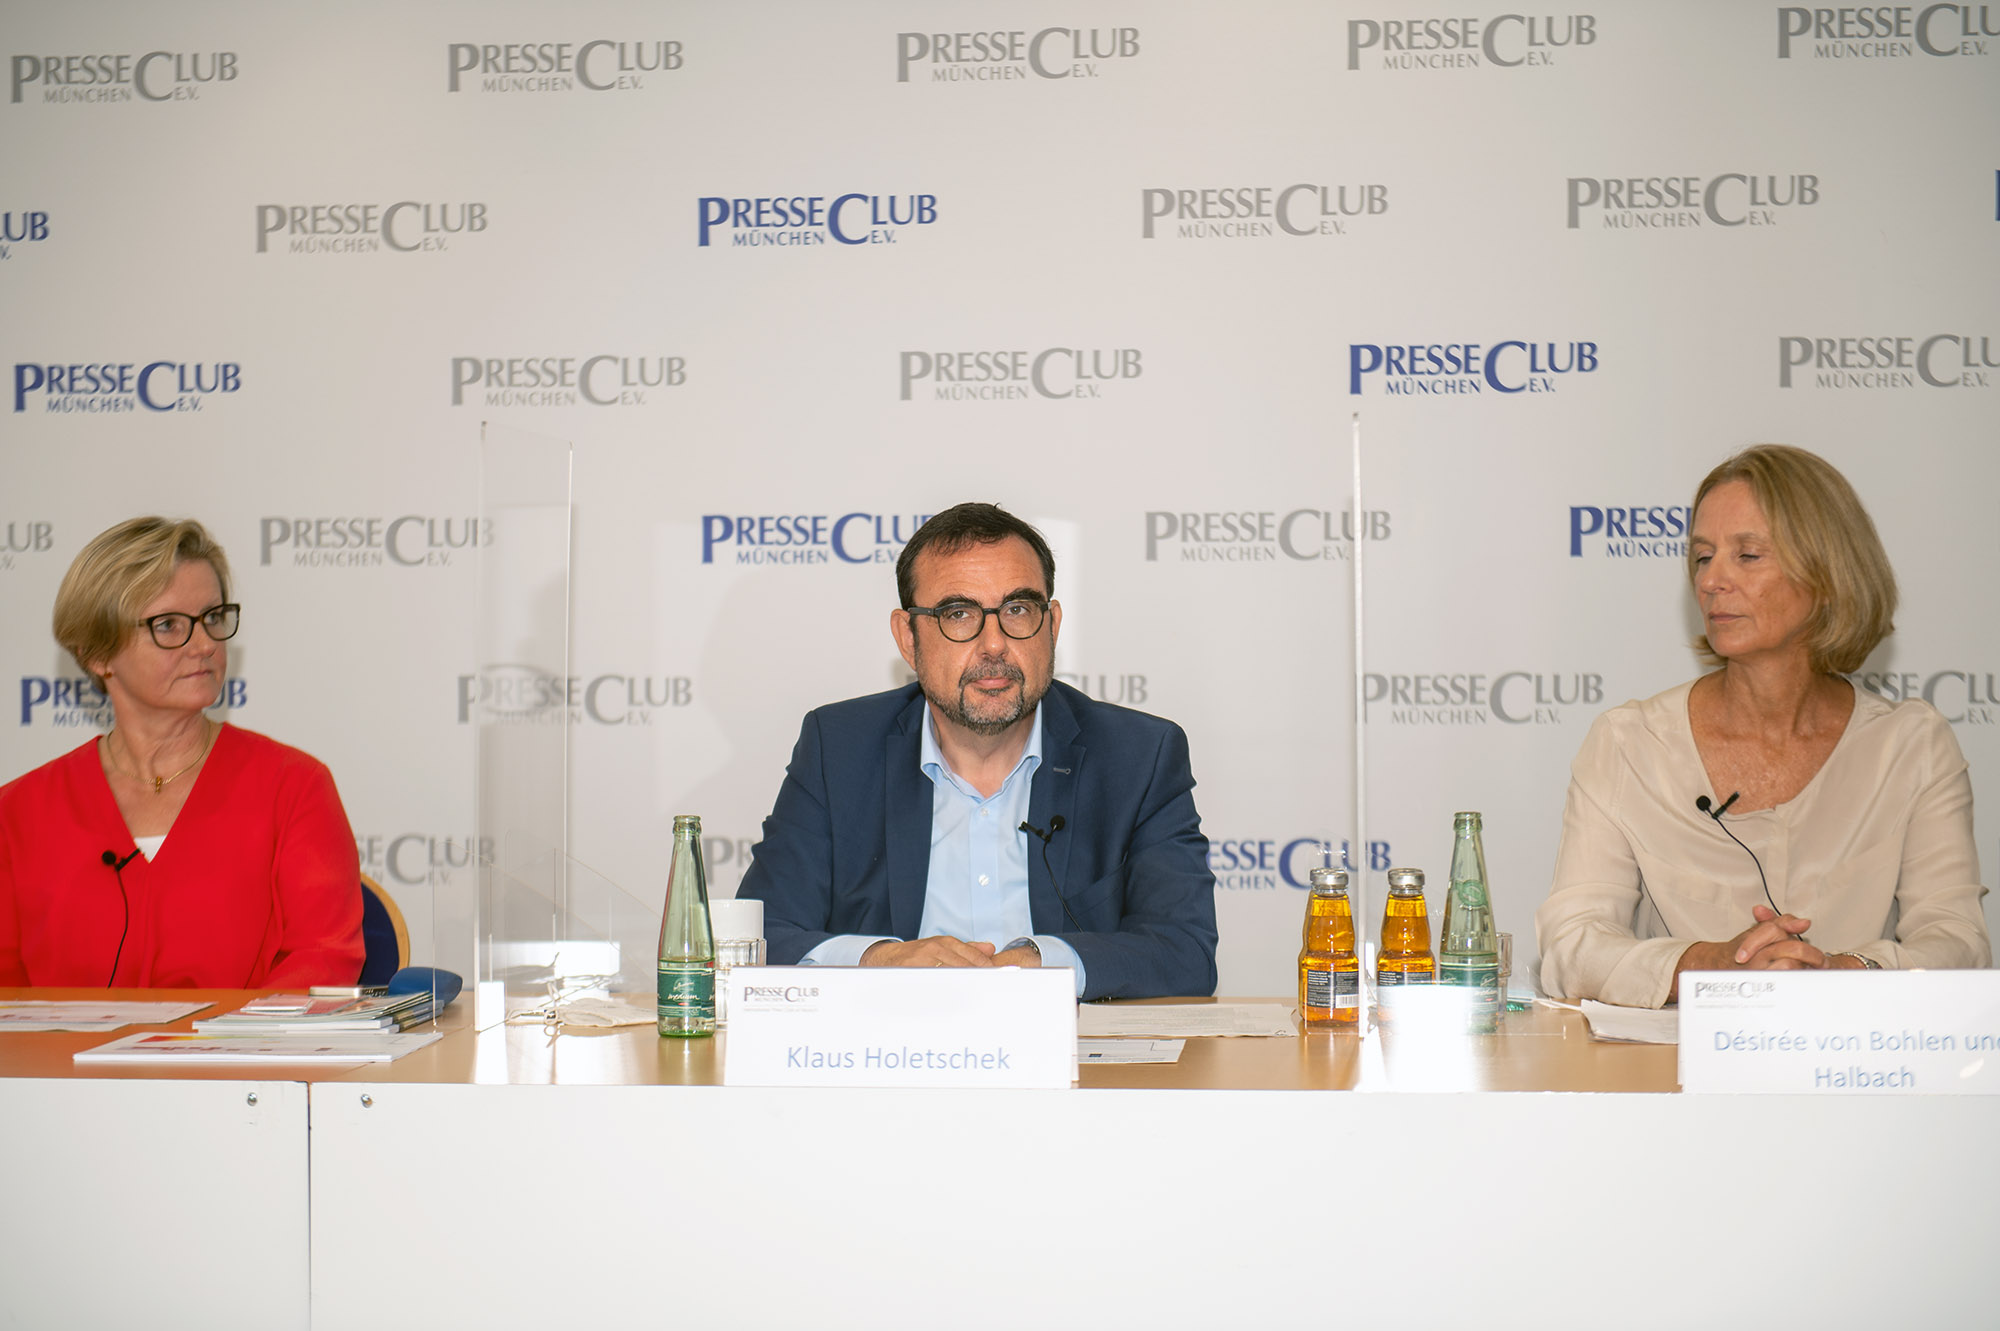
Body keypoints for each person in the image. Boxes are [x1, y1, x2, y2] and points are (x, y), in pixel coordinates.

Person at [1537, 445, 1990, 1007]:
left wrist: (1845, 972)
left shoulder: (1912, 746)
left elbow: (1957, 941)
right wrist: (1709, 966)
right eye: (1703, 557)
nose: (1712, 580)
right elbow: (1572, 947)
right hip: (1673, 1061)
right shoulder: (1630, 742)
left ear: (1827, 574)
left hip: (1856, 1054)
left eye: (1747, 555)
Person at [738, 502, 1218, 1000]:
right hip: (889, 1043)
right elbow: (757, 937)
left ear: (1051, 625)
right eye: (958, 614)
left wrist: (1046, 963)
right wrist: (881, 961)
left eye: (1017, 610)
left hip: (1069, 1047)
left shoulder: (1137, 756)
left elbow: (1185, 951)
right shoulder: (838, 749)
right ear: (908, 637)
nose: (993, 644)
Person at [0, 517, 364, 988]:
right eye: (169, 625)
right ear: (97, 653)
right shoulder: (18, 813)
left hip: (244, 1039)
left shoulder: (294, 787)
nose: (205, 644)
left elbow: (323, 961)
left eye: (212, 618)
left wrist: (224, 1035)